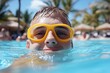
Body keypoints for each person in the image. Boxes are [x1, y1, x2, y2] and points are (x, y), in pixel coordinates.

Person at [1, 7, 74, 73]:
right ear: (28, 45)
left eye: (61, 33)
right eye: (40, 33)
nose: (50, 38)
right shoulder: (19, 66)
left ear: (71, 44)